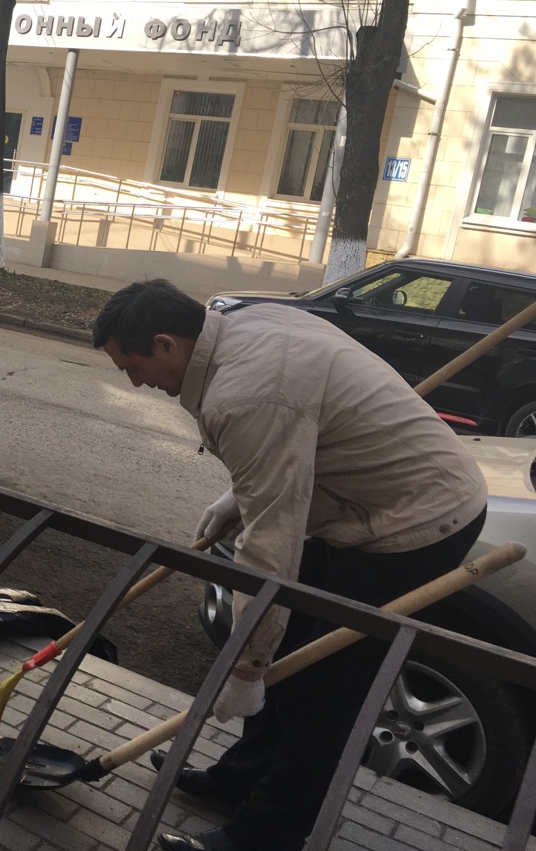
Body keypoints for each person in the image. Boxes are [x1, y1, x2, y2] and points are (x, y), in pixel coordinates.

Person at [91, 279, 488, 851]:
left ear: (166, 344)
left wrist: (245, 664)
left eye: (133, 367)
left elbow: (269, 550)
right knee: (289, 653)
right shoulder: (243, 325)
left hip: (415, 522)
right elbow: (298, 432)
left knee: (324, 687)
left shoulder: (246, 394)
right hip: (363, 499)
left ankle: (266, 835)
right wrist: (241, 494)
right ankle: (238, 780)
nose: (135, 382)